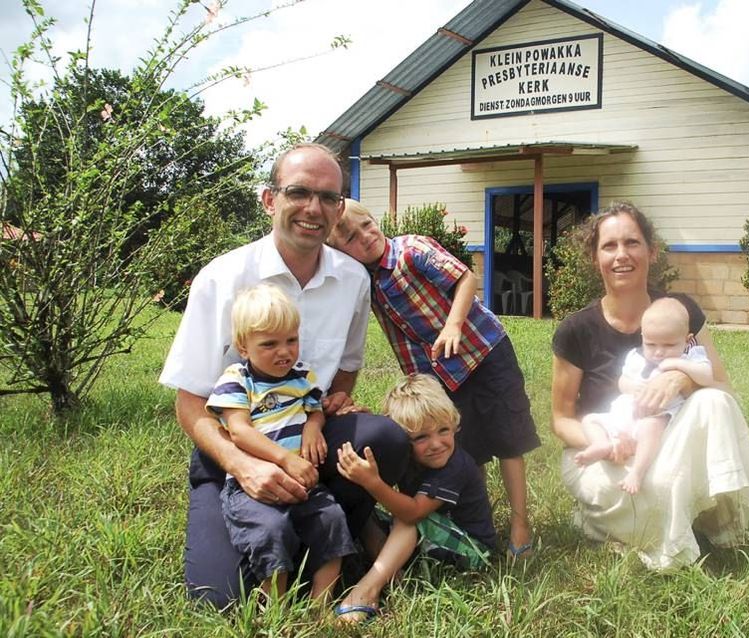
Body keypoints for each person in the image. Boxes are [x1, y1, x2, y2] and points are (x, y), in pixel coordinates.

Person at [159, 143, 410, 609]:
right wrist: (245, 466)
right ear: (269, 199)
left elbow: (349, 364)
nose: (314, 209)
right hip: (233, 457)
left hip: (307, 445)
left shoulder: (353, 279)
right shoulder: (222, 278)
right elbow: (189, 405)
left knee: (383, 437)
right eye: (299, 192)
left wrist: (336, 399)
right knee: (219, 598)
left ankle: (342, 521)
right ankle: (306, 534)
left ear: (339, 208)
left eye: (329, 197)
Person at [551, 201, 749, 570]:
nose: (621, 255)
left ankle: (701, 523)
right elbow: (561, 420)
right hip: (606, 448)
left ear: (651, 251)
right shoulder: (576, 330)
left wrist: (682, 377)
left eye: (632, 242)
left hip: (666, 439)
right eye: (609, 246)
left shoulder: (680, 311)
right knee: (647, 489)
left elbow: (724, 390)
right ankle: (615, 520)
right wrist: (608, 444)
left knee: (713, 402)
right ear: (594, 257)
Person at [327, 200, 540, 558]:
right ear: (340, 251)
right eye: (350, 237)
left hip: (483, 351)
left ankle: (520, 524)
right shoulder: (362, 282)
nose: (365, 237)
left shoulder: (411, 249)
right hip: (439, 372)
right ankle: (477, 516)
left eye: (366, 225)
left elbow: (465, 278)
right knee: (463, 444)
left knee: (508, 438)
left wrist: (454, 324)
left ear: (375, 219)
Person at [208, 284, 354, 605]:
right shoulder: (237, 379)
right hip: (252, 488)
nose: (284, 351)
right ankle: (275, 604)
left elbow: (314, 411)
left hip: (303, 482)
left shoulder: (301, 377)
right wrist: (285, 460)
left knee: (332, 520)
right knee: (271, 531)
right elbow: (240, 432)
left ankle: (321, 603)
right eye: (269, 344)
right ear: (243, 347)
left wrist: (313, 429)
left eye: (291, 340)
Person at [334, 374, 498, 623]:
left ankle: (366, 591)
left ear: (455, 425)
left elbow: (414, 512)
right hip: (428, 539)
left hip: (472, 550)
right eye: (421, 437)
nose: (436, 444)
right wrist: (368, 422)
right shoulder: (408, 452)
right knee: (365, 511)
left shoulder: (456, 466)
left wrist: (372, 482)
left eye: (444, 430)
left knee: (408, 519)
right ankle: (394, 572)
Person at [575, 297, 713, 496]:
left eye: (668, 345)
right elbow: (622, 381)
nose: (658, 352)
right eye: (651, 344)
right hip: (624, 415)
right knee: (590, 419)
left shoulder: (690, 356)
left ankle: (637, 473)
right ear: (643, 338)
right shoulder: (636, 356)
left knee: (651, 428)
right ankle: (601, 443)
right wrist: (632, 388)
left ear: (687, 339)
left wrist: (679, 367)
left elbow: (707, 376)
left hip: (655, 416)